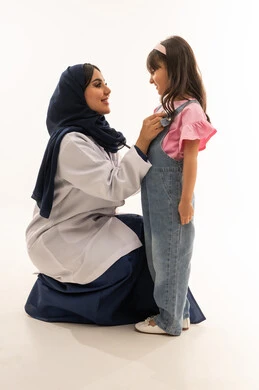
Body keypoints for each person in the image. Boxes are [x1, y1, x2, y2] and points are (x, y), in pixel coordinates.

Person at [24, 62, 205, 327]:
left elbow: (120, 178)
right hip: (60, 238)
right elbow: (114, 187)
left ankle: (178, 310)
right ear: (76, 95)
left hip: (89, 225)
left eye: (105, 83)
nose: (107, 89)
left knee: (154, 232)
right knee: (131, 261)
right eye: (97, 85)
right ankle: (164, 313)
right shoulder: (71, 142)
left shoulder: (96, 135)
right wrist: (143, 143)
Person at [135, 36, 216, 335]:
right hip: (154, 197)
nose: (152, 79)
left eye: (155, 70)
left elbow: (191, 160)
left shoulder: (190, 111)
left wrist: (185, 201)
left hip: (173, 197)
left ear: (174, 67)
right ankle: (179, 313)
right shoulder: (167, 108)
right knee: (158, 255)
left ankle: (168, 321)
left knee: (171, 256)